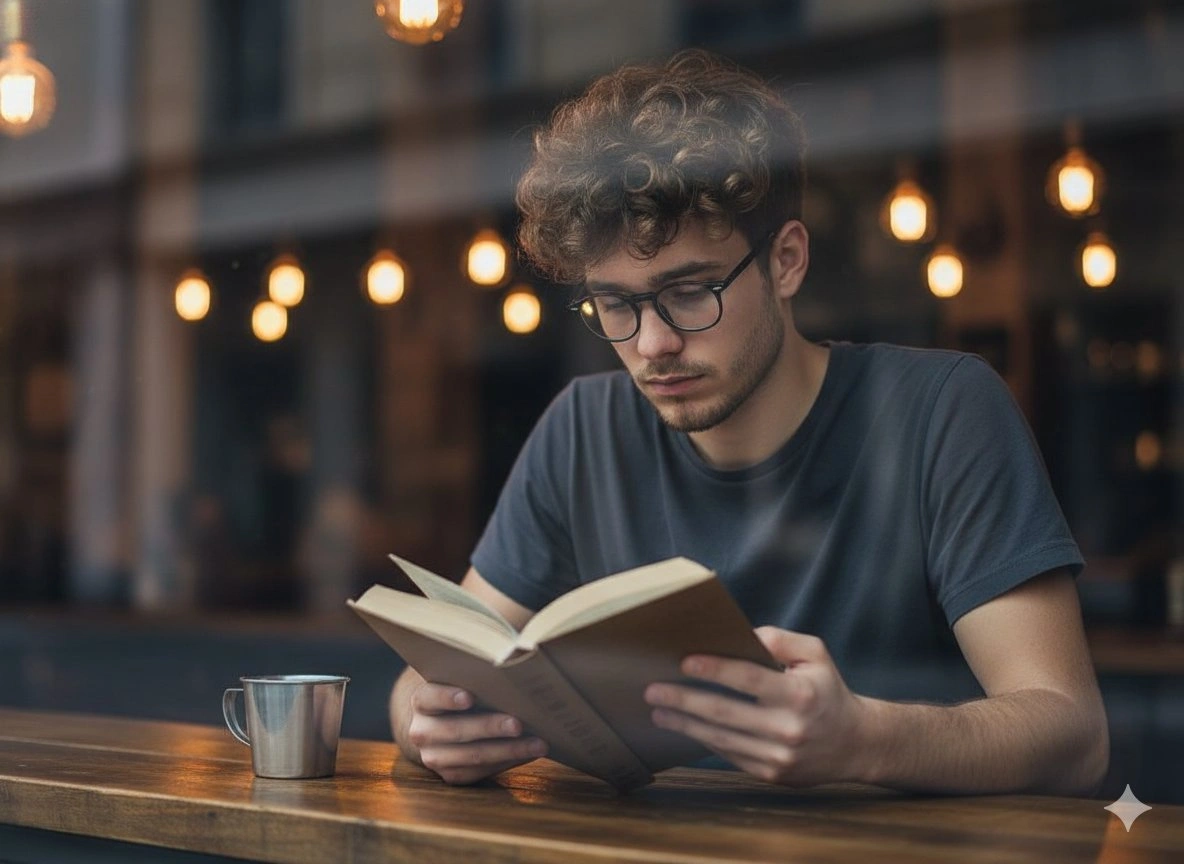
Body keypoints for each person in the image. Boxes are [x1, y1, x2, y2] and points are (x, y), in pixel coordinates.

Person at [389, 50, 1109, 795]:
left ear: (786, 261)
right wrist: (428, 722)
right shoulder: (581, 429)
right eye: (616, 304)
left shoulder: (943, 411)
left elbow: (1073, 732)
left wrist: (864, 739)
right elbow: (421, 681)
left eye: (690, 293)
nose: (652, 344)